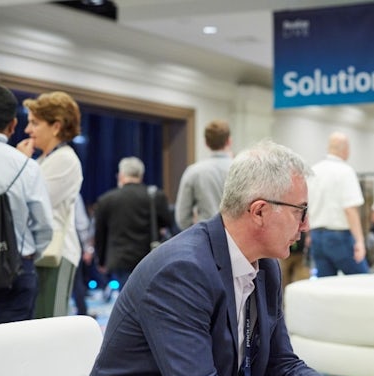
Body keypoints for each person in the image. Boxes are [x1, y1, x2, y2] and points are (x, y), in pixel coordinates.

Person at [84, 139, 374, 376]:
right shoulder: (181, 272)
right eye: (300, 212)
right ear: (259, 211)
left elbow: (282, 367)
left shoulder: (265, 265)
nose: (305, 226)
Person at [0, 84, 53, 324]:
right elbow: (44, 225)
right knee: (11, 352)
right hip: (15, 271)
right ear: (13, 124)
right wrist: (29, 257)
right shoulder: (26, 166)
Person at [16, 91, 83, 318]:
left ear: (56, 126)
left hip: (57, 254)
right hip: (43, 253)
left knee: (50, 324)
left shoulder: (65, 159)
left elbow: (31, 204)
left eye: (35, 123)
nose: (27, 130)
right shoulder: (45, 159)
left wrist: (21, 163)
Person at [94, 157, 172, 290]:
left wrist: (101, 261)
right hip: (148, 256)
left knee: (126, 297)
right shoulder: (155, 196)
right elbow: (168, 223)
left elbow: (100, 234)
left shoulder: (106, 200)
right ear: (141, 175)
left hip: (119, 259)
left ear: (121, 175)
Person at [306, 131, 369, 277]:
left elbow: (306, 207)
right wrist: (359, 241)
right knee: (362, 281)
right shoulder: (346, 171)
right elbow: (350, 209)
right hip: (339, 237)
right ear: (346, 149)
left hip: (317, 237)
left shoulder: (313, 171)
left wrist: (309, 234)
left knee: (326, 285)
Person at [174, 119, 233, 230]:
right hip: (238, 237)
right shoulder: (242, 169)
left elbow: (182, 217)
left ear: (206, 143)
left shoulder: (193, 172)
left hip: (206, 236)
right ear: (229, 141)